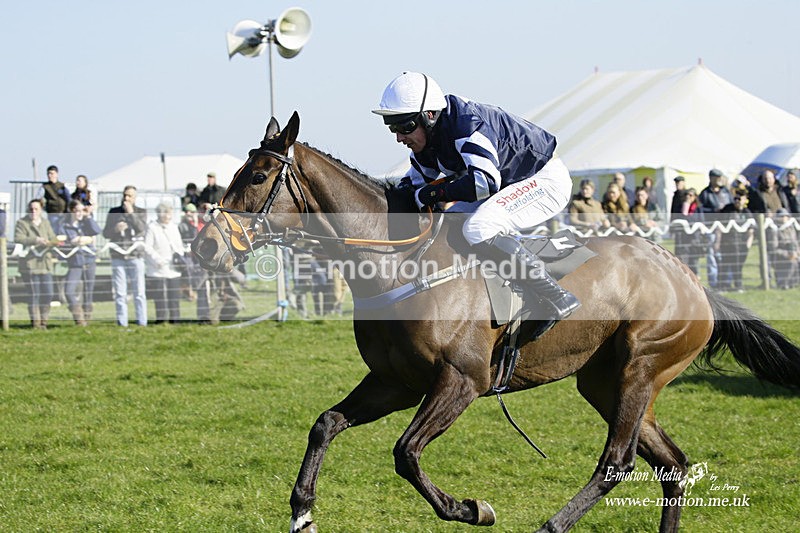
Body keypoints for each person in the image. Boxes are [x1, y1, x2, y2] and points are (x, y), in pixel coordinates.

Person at [373, 71, 579, 322]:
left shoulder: (465, 124)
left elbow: (484, 183)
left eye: (405, 126)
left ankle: (555, 296)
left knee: (479, 228)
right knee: (446, 228)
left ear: (429, 116)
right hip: (508, 184)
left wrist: (432, 193)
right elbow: (411, 188)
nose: (399, 137)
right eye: (392, 127)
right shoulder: (427, 141)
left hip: (542, 179)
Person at [103, 186, 148, 327]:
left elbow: (142, 229)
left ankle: (142, 322)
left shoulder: (141, 212)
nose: (126, 198)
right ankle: (122, 322)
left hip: (135, 256)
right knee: (120, 292)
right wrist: (115, 229)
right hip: (118, 256)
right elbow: (105, 233)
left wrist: (131, 214)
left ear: (135, 198)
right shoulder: (113, 212)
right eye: (125, 195)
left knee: (139, 292)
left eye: (129, 196)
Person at [14, 199, 56, 329]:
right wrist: (35, 240)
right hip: (30, 264)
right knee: (34, 294)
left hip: (45, 263)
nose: (33, 211)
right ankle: (36, 323)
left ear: (41, 210)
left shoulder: (45, 223)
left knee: (48, 293)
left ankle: (44, 320)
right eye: (31, 209)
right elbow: (18, 238)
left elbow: (52, 237)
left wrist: (54, 242)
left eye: (36, 209)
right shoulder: (22, 223)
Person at [60, 200, 101, 325]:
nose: (79, 213)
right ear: (71, 210)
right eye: (77, 210)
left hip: (89, 260)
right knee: (69, 290)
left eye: (82, 210)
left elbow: (96, 231)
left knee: (88, 291)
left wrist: (88, 216)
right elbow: (60, 242)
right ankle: (78, 316)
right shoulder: (64, 226)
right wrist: (70, 242)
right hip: (75, 262)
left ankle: (87, 318)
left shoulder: (86, 223)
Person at [145, 203, 185, 324]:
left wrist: (179, 256)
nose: (169, 216)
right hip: (158, 268)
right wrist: (158, 260)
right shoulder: (152, 227)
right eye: (166, 213)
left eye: (170, 213)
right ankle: (161, 319)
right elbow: (147, 247)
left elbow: (179, 244)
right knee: (160, 295)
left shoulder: (174, 227)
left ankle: (175, 319)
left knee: (174, 296)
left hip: (173, 267)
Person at [698, 169, 733, 288]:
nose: (719, 179)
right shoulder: (705, 194)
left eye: (720, 177)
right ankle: (714, 283)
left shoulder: (726, 192)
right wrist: (714, 211)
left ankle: (727, 282)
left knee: (727, 255)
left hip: (726, 228)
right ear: (711, 178)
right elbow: (701, 210)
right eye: (717, 177)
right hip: (711, 228)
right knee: (712, 256)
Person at [715, 193, 753, 292]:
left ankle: (738, 286)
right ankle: (722, 287)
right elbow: (720, 226)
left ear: (745, 200)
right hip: (727, 243)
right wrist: (717, 242)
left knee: (738, 266)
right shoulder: (727, 210)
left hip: (741, 244)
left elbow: (751, 230)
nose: (737, 201)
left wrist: (748, 245)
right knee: (724, 265)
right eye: (735, 198)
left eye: (740, 198)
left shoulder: (747, 212)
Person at [768, 208, 799, 289]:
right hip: (780, 256)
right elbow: (774, 248)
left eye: (785, 216)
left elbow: (795, 242)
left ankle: (794, 282)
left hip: (793, 253)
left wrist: (797, 251)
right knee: (792, 262)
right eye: (781, 216)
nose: (783, 218)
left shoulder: (791, 228)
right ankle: (784, 283)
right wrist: (788, 254)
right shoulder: (775, 230)